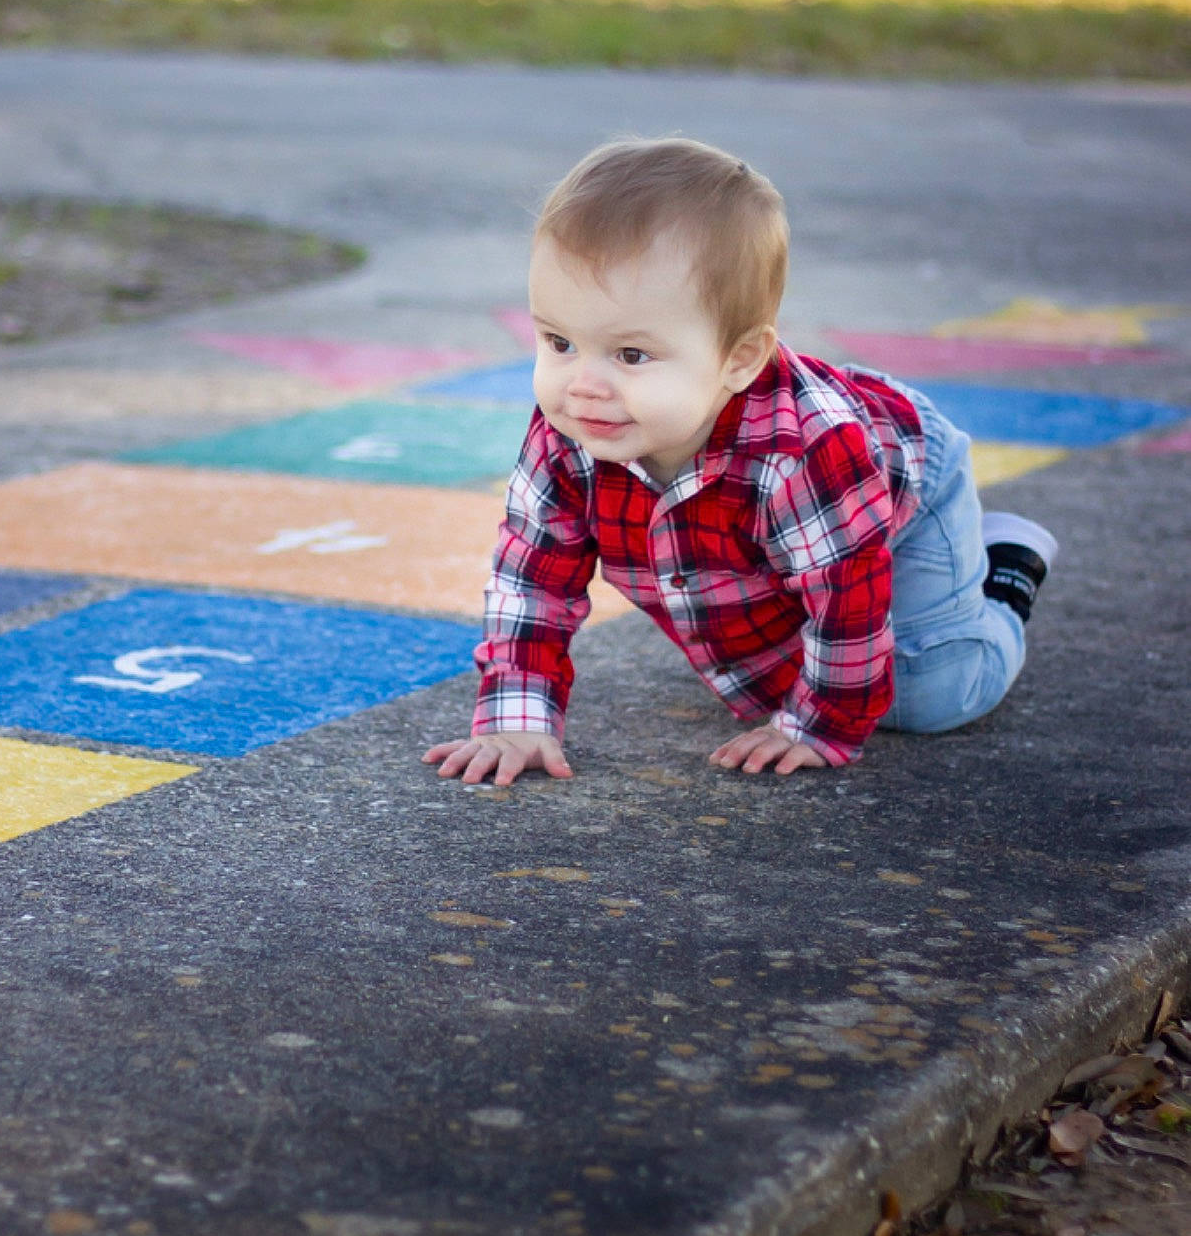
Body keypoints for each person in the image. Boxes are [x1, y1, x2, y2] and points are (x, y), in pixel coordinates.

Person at [423, 137, 1056, 789]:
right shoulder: (574, 428)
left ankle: (1005, 569)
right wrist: (517, 717)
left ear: (740, 359)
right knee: (773, 678)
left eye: (630, 355)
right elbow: (532, 581)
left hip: (906, 487)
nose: (582, 385)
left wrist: (815, 725)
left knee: (928, 692)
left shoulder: (804, 454)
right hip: (798, 530)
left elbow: (844, 598)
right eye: (559, 342)